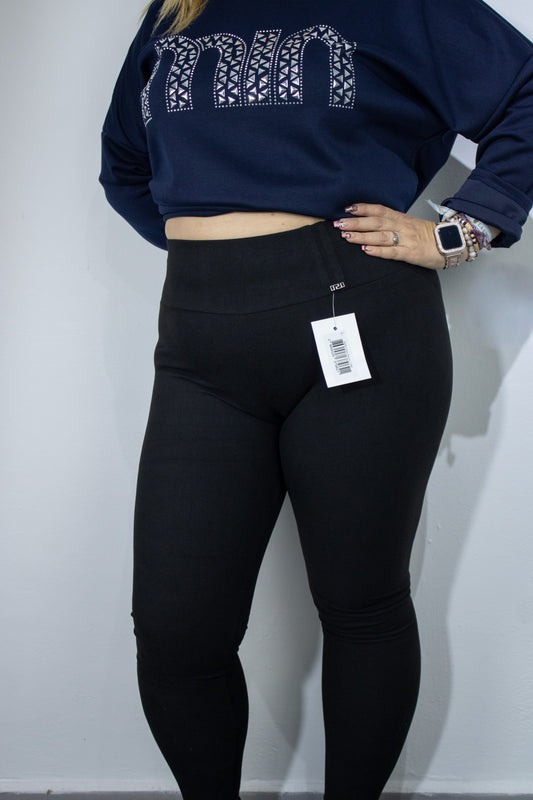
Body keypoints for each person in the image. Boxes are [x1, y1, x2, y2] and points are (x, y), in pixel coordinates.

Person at [99, 1, 533, 798]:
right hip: (200, 337)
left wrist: (457, 231)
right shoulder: (175, 11)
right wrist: (235, 254)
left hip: (359, 311)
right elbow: (125, 163)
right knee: (174, 630)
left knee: (361, 603)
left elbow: (525, 88)